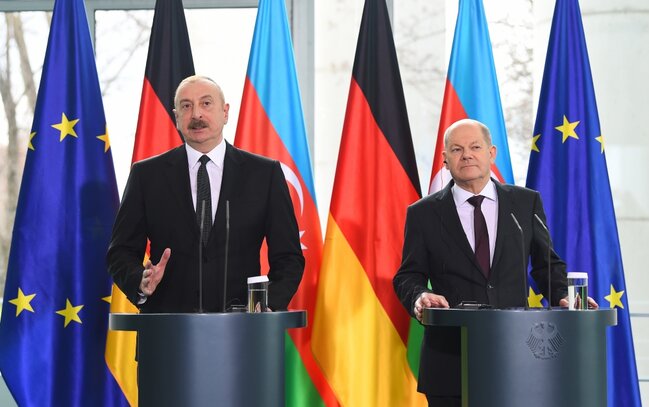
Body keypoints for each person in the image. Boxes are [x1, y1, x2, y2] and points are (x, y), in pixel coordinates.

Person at [392, 118, 597, 406]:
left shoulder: (525, 203)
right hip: (450, 361)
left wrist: (564, 294)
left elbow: (546, 265)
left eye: (475, 147)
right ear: (445, 159)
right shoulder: (423, 213)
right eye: (457, 149)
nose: (467, 155)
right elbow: (408, 275)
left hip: (516, 356)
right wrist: (420, 296)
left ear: (491, 153)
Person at [107, 75, 304, 312]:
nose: (196, 114)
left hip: (242, 326)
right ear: (176, 117)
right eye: (186, 106)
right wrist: (140, 281)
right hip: (168, 325)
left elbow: (289, 258)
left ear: (225, 112)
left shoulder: (264, 174)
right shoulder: (146, 175)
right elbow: (121, 251)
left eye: (206, 103)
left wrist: (266, 306)